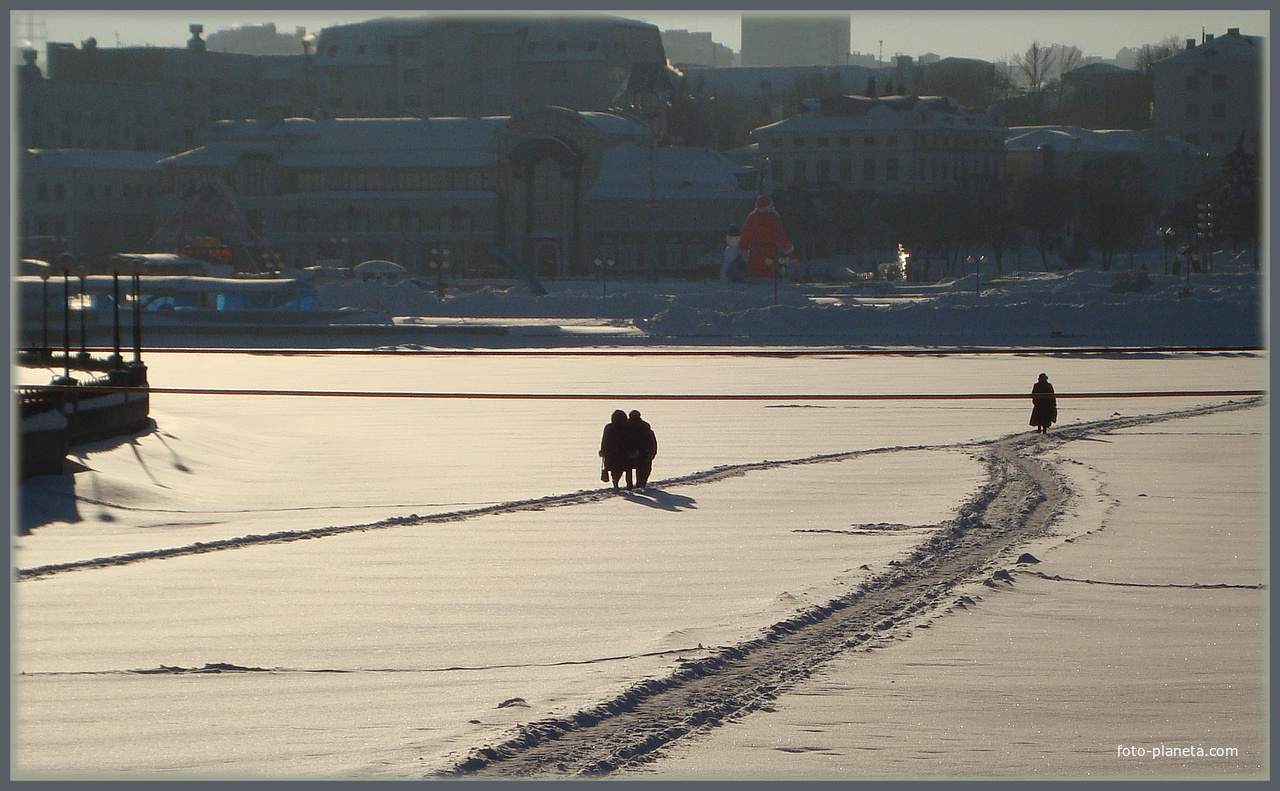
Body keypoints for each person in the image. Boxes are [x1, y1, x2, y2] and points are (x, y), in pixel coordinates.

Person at [738, 196, 794, 279]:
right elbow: (781, 236)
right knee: (769, 278)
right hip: (769, 253)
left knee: (754, 277)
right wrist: (788, 250)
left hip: (754, 253)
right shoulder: (773, 217)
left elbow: (745, 236)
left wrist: (742, 250)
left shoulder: (752, 217)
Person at [624, 409, 658, 489]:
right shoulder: (645, 427)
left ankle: (631, 485)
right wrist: (652, 453)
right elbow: (652, 442)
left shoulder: (625, 427)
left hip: (631, 452)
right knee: (643, 469)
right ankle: (640, 484)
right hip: (642, 452)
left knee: (629, 469)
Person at [599, 409, 632, 489]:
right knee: (627, 468)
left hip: (611, 452)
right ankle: (628, 484)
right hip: (623, 452)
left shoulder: (609, 427)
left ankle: (616, 482)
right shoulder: (626, 427)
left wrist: (603, 450)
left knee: (615, 469)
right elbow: (630, 440)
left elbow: (604, 440)